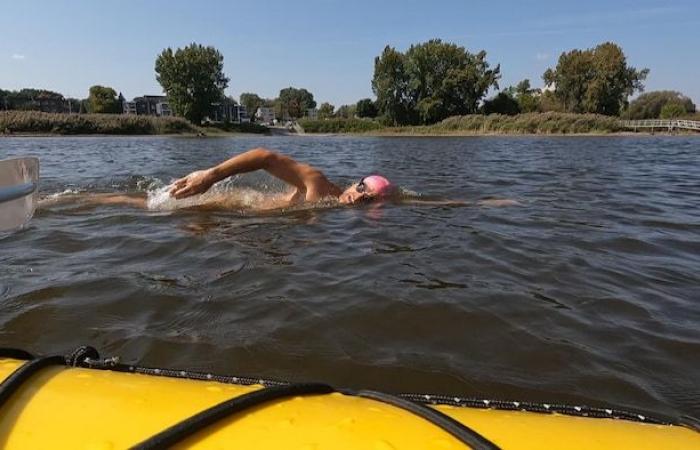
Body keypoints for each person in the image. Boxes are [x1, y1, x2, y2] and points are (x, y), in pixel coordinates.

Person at [169, 147, 394, 205]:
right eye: (362, 189)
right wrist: (209, 177)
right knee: (148, 205)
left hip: (229, 224)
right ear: (356, 183)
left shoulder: (333, 208)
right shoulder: (318, 183)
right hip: (220, 202)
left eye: (367, 200)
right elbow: (265, 157)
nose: (357, 198)